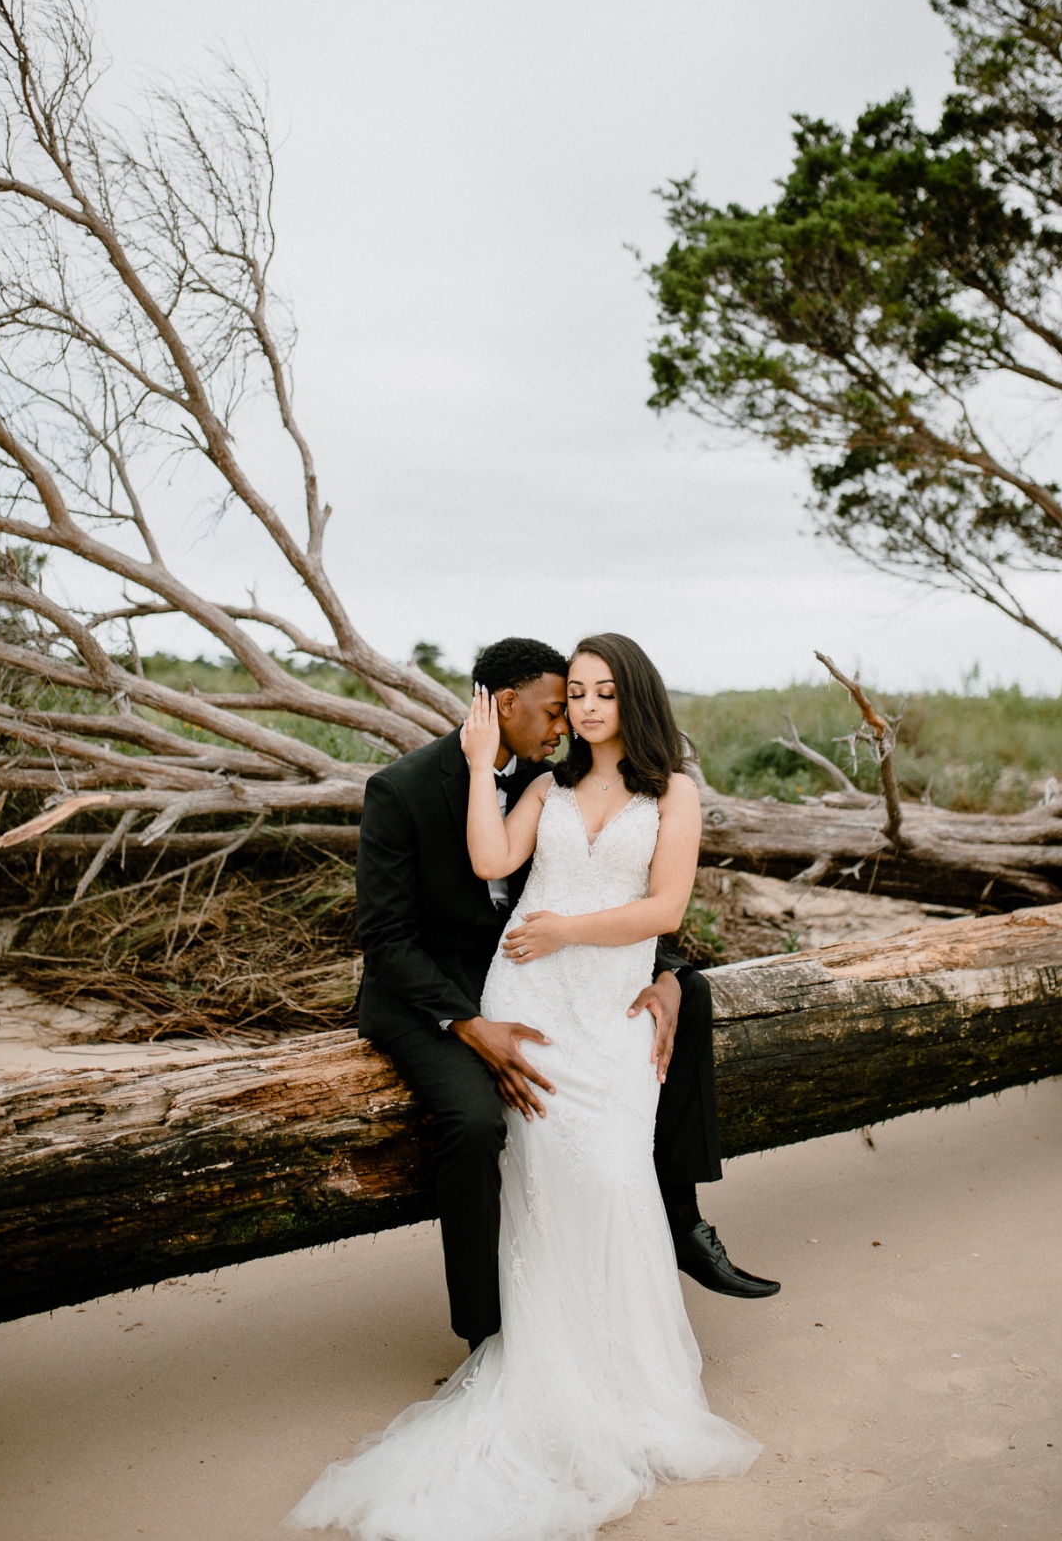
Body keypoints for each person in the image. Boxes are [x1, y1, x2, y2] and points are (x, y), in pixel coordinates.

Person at [288, 634, 766, 1539]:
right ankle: (508, 1345)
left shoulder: (666, 792)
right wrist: (477, 767)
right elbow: (467, 882)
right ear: (510, 705)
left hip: (596, 997)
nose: (580, 711)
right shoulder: (504, 784)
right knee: (519, 1156)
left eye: (598, 694)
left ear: (635, 699)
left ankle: (646, 1327)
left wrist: (651, 968)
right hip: (491, 994)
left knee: (614, 1170)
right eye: (568, 697)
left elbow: (663, 908)